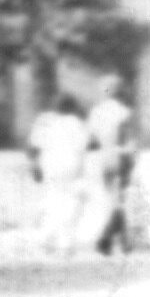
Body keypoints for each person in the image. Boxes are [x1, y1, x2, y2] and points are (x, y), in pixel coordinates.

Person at [27, 93, 94, 259]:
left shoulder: (46, 121)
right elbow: (88, 144)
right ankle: (63, 243)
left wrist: (34, 165)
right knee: (70, 204)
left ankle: (45, 239)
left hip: (49, 165)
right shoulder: (76, 123)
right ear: (72, 107)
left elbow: (34, 146)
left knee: (53, 202)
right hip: (70, 166)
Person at [88, 79, 136, 257]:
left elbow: (91, 140)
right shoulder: (125, 112)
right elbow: (128, 140)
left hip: (104, 157)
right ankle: (106, 238)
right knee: (119, 200)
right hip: (120, 156)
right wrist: (132, 159)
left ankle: (122, 242)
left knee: (113, 200)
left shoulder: (96, 112)